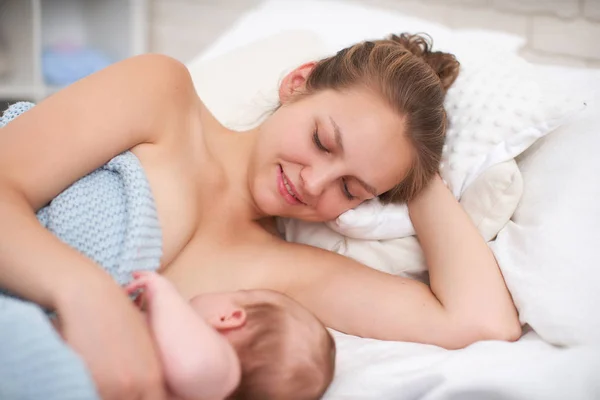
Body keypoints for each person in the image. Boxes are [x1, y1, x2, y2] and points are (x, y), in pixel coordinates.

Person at [0, 33, 521, 399]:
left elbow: (482, 323)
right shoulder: (162, 98)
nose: (314, 184)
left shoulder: (286, 273)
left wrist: (416, 172)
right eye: (321, 141)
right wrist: (86, 295)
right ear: (299, 82)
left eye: (350, 188)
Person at [120, 270, 335, 400]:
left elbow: (192, 368)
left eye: (240, 293)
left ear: (228, 318)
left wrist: (162, 292)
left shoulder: (221, 373)